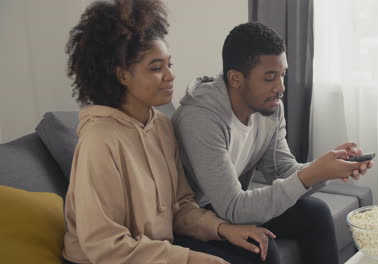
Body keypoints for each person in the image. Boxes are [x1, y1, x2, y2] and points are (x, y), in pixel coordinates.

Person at [62, 2, 278, 264]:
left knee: (258, 250)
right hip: (105, 259)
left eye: (169, 64)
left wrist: (223, 229)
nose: (170, 76)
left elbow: (180, 207)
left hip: (155, 249)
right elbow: (104, 246)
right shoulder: (100, 140)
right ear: (122, 76)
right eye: (156, 68)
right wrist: (192, 259)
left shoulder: (162, 126)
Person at [172, 22, 374, 264]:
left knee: (315, 213)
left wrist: (328, 167)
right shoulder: (201, 118)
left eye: (282, 74)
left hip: (224, 205)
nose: (281, 88)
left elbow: (282, 170)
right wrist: (313, 173)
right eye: (270, 78)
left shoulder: (269, 107)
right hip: (192, 218)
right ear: (235, 78)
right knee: (261, 250)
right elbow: (233, 208)